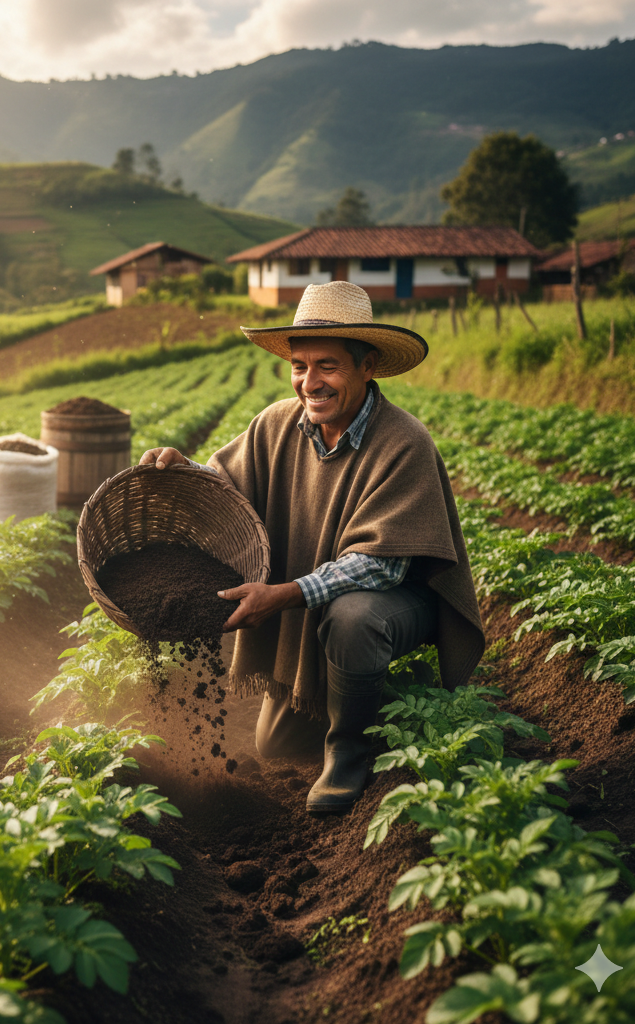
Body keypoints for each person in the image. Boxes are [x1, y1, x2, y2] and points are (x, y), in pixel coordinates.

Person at [140, 280, 484, 814]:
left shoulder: (403, 442)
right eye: (300, 366)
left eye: (327, 365)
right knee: (276, 747)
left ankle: (350, 753)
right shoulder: (277, 425)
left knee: (354, 619)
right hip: (320, 595)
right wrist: (182, 470)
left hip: (401, 602)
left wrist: (283, 594)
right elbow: (222, 487)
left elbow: (381, 567)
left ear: (366, 365)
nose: (310, 382)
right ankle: (368, 695)